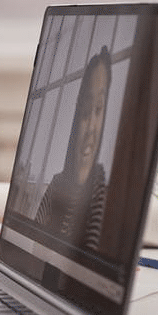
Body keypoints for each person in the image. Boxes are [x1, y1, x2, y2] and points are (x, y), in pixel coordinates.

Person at [34, 46, 112, 253]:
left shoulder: (105, 196)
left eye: (98, 110)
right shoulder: (58, 184)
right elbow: (32, 246)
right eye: (85, 111)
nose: (90, 128)